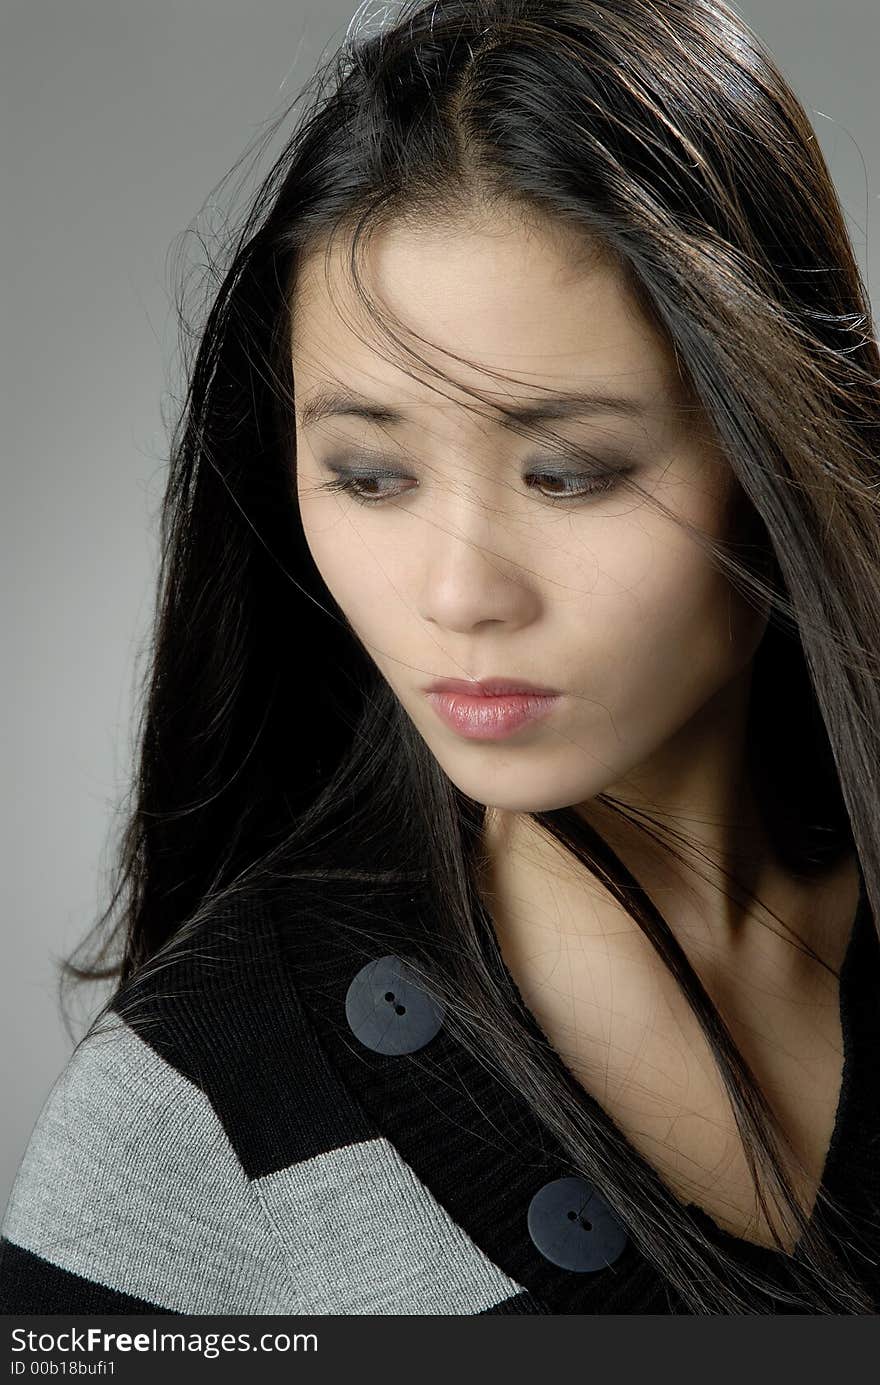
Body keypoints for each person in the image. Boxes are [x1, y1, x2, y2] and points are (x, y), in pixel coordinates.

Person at [2, 0, 879, 1315]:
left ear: (784, 451)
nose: (459, 592)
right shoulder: (188, 1125)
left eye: (569, 472)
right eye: (369, 474)